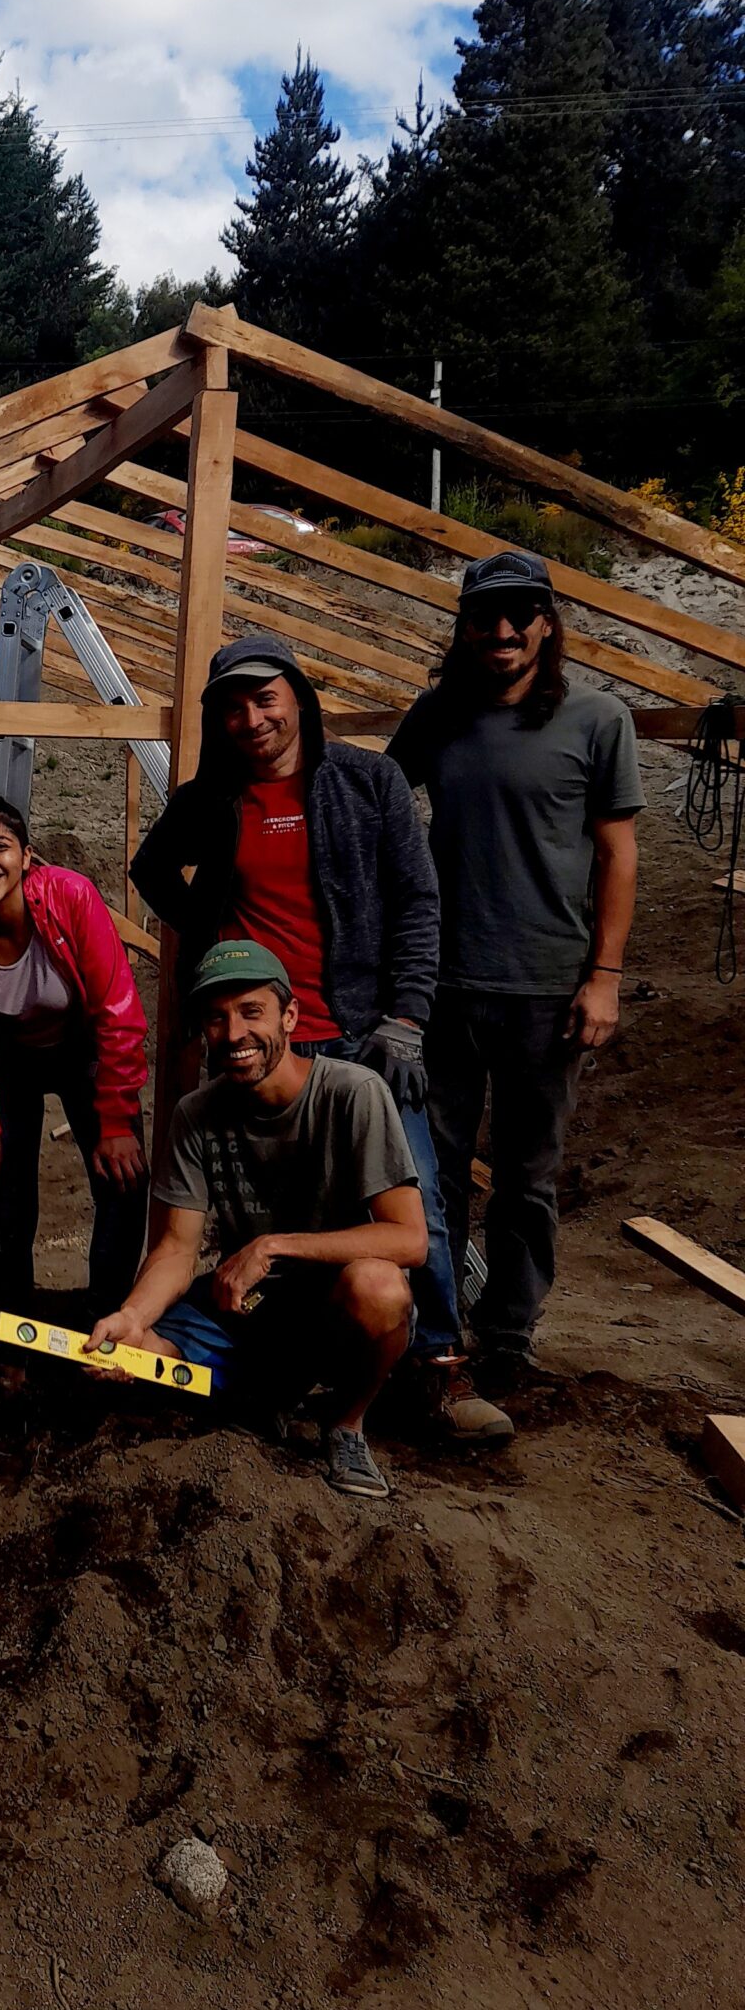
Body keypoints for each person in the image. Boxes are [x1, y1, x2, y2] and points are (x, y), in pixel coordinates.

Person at [130, 634, 484, 1437]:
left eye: (265, 700)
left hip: (363, 1034)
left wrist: (407, 1018)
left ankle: (437, 1370)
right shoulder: (212, 799)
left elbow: (418, 903)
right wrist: (214, 931)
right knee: (255, 1209)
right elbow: (152, 870)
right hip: (258, 1039)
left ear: (297, 697)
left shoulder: (368, 782)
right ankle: (287, 1363)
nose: (251, 719)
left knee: (417, 1203)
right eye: (232, 707)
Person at [390, 550, 642, 1404]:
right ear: (463, 626)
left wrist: (604, 974)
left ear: (545, 621)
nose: (501, 630)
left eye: (519, 614)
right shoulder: (439, 719)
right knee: (435, 1171)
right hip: (446, 984)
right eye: (484, 615)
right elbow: (382, 807)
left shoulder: (597, 719)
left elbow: (617, 853)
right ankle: (437, 1334)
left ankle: (509, 1336)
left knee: (530, 1175)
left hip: (547, 985)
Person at [86, 941, 427, 1501]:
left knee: (381, 1287)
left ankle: (345, 1424)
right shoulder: (195, 1113)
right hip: (242, 1306)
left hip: (328, 1303)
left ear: (289, 1017)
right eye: (217, 1018)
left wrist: (273, 1246)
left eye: (251, 1012)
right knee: (135, 1362)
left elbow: (409, 1239)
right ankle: (264, 1399)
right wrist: (130, 1314)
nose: (234, 1033)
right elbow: (175, 1247)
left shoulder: (353, 1093)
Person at [0, 790, 148, 1320]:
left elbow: (118, 1011)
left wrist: (115, 1118)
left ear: (26, 854)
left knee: (123, 1177)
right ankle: (13, 1341)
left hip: (83, 1047)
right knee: (6, 1196)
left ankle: (107, 1325)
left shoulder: (70, 897)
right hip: (9, 1060)